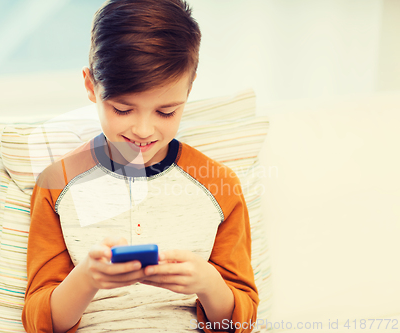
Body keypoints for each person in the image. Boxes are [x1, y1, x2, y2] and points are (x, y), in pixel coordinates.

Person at [21, 0, 259, 332]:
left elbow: (237, 323)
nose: (144, 131)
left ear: (188, 91)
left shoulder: (219, 184)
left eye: (166, 112)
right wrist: (87, 277)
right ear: (91, 86)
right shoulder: (56, 183)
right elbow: (40, 323)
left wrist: (207, 282)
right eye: (122, 109)